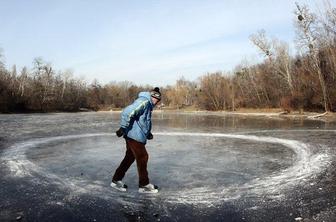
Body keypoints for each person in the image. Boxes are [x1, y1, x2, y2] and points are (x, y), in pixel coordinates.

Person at [111, 87, 161, 193]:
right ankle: (144, 184)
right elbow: (128, 112)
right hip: (134, 135)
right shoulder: (144, 101)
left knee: (129, 157)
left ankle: (116, 180)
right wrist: (123, 127)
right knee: (143, 156)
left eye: (158, 100)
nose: (156, 101)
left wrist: (148, 134)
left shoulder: (148, 105)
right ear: (151, 96)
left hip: (134, 135)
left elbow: (143, 121)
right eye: (156, 98)